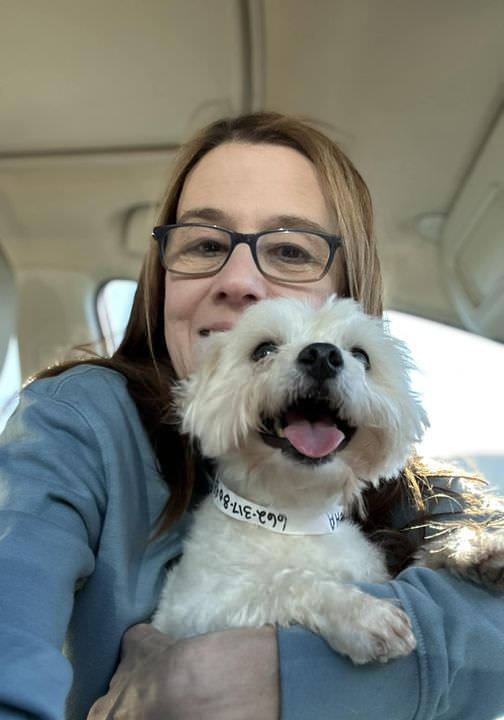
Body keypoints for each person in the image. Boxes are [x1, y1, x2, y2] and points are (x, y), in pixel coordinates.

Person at [0, 112, 503, 720]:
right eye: (206, 245)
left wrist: (261, 674)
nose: (239, 280)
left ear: (348, 294)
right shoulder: (79, 422)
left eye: (290, 250)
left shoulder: (414, 491)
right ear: (162, 279)